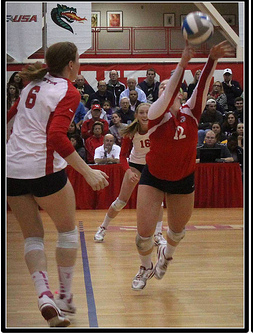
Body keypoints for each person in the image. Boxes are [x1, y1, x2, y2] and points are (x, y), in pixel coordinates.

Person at [6, 41, 109, 327]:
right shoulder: (68, 90)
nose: (80, 66)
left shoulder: (31, 85)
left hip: (12, 169)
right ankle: (63, 296)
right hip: (43, 169)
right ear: (71, 64)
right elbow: (56, 137)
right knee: (67, 231)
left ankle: (44, 297)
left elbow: (9, 119)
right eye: (79, 61)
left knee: (33, 237)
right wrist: (88, 172)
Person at [131, 40, 232, 291]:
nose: (169, 88)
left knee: (176, 232)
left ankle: (166, 256)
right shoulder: (155, 114)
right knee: (142, 238)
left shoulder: (191, 113)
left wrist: (212, 59)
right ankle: (145, 267)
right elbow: (168, 93)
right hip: (153, 178)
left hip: (183, 180)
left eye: (173, 86)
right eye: (164, 86)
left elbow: (204, 84)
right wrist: (183, 62)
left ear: (182, 94)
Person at [94, 103, 166, 245]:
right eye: (142, 113)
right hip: (135, 166)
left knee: (159, 203)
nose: (145, 116)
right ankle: (102, 227)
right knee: (121, 201)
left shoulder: (157, 129)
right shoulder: (131, 132)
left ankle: (158, 234)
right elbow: (122, 156)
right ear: (136, 115)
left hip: (152, 166)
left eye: (148, 112)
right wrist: (128, 171)